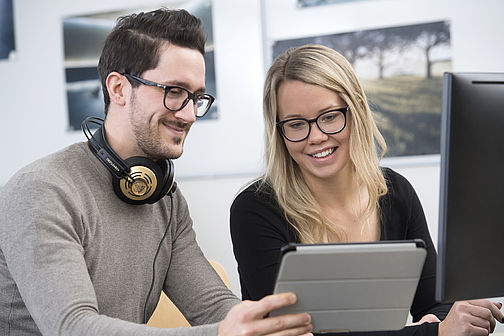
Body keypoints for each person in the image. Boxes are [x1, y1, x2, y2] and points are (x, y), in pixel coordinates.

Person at [0, 9, 314, 336]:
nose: (190, 114)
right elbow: (73, 327)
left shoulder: (165, 197)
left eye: (196, 97)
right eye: (175, 92)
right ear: (119, 89)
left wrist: (270, 327)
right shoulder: (41, 191)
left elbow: (210, 303)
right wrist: (221, 334)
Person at [230, 44, 503, 336]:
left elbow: (436, 306)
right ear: (278, 130)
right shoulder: (255, 210)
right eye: (296, 124)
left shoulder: (395, 192)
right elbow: (293, 333)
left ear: (357, 109)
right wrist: (429, 332)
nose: (317, 137)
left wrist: (441, 321)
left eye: (330, 116)